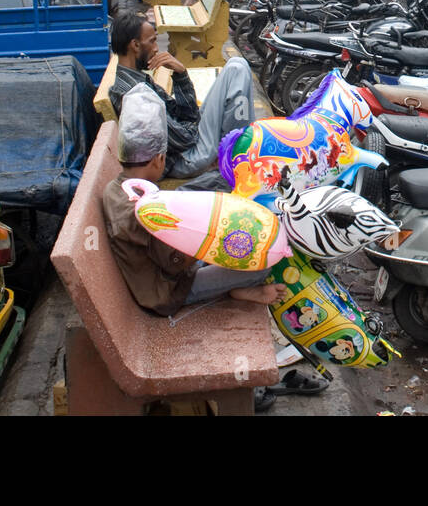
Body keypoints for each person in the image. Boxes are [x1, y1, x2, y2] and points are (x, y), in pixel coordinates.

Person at [101, 86, 323, 412]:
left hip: (163, 276)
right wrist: (213, 241)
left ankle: (234, 287)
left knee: (225, 209)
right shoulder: (142, 212)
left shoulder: (118, 188)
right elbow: (176, 263)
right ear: (160, 159)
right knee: (259, 263)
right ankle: (237, 290)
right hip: (170, 293)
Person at [106, 11, 256, 181]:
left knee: (235, 65)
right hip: (186, 158)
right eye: (152, 41)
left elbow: (186, 114)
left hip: (188, 143)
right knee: (238, 69)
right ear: (135, 45)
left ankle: (234, 148)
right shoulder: (135, 94)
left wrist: (181, 74)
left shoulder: (136, 79)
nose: (156, 48)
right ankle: (236, 155)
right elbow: (185, 139)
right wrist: (196, 123)